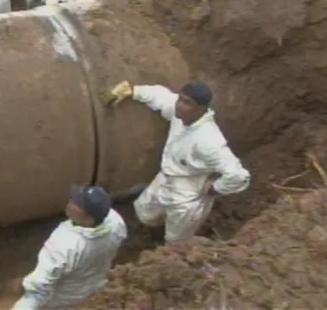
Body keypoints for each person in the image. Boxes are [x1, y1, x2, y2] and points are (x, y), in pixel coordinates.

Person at [100, 80, 251, 243]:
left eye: (187, 103)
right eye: (180, 98)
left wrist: (215, 189)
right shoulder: (181, 114)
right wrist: (132, 91)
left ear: (200, 109)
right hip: (167, 177)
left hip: (188, 192)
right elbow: (159, 96)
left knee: (176, 240)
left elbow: (239, 176)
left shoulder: (209, 141)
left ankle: (175, 254)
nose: (179, 104)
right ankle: (154, 239)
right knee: (144, 212)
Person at [13, 184, 127, 309]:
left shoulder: (64, 244)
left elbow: (40, 288)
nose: (71, 201)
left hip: (62, 298)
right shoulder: (116, 222)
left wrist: (26, 294)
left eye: (77, 204)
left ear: (88, 218)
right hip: (95, 285)